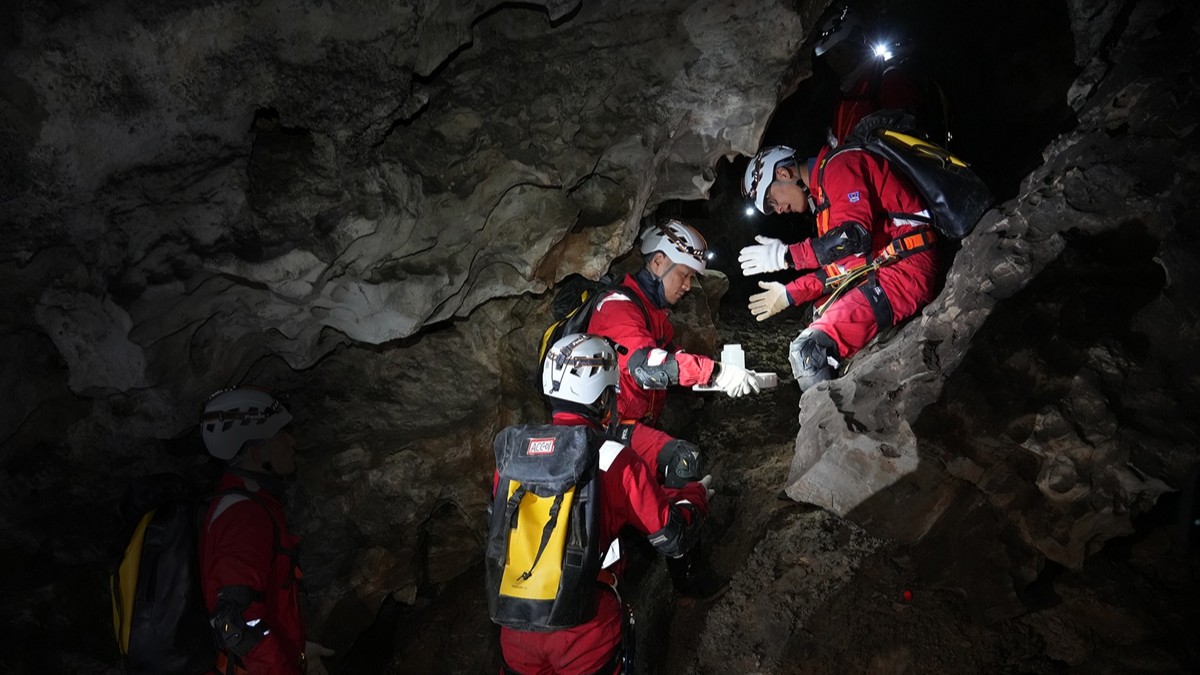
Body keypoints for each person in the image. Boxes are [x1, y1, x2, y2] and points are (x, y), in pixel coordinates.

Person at [496, 333, 712, 674]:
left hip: (516, 627)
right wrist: (693, 495)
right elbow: (671, 535)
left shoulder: (512, 458)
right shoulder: (612, 459)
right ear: (603, 398)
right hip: (585, 630)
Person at [585, 218, 757, 595]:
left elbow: (663, 358)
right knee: (682, 460)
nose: (688, 285)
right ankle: (688, 576)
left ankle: (652, 539)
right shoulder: (618, 308)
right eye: (683, 274)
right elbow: (648, 367)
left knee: (674, 463)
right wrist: (713, 374)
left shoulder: (650, 312)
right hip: (603, 431)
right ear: (659, 262)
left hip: (625, 425)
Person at [739, 143, 941, 391]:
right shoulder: (823, 196)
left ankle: (826, 426)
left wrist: (786, 256)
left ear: (783, 174)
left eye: (773, 200)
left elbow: (851, 238)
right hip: (888, 266)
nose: (779, 209)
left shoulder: (840, 166)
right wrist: (789, 293)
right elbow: (844, 266)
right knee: (816, 314)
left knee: (809, 351)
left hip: (907, 269)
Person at [198, 386, 333, 675]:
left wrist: (296, 650)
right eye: (282, 434)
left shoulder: (250, 502)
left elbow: (263, 604)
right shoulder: (245, 515)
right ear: (257, 453)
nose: (293, 442)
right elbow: (235, 621)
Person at [813, 3, 948, 148]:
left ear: (859, 39)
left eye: (839, 50)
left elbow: (908, 147)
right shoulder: (844, 93)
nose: (833, 61)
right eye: (828, 56)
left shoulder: (889, 81)